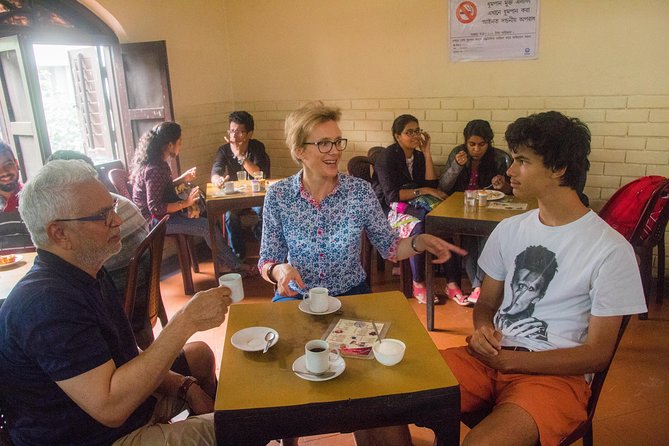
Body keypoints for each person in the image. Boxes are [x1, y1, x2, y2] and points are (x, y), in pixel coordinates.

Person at [259, 102, 464, 445]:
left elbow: (389, 247)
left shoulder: (358, 192)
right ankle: (289, 436)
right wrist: (279, 270)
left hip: (351, 299)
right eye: (323, 143)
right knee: (288, 389)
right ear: (299, 151)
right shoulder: (279, 196)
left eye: (337, 142)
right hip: (295, 300)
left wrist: (419, 241)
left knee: (368, 396)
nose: (334, 151)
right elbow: (267, 260)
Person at [440, 111, 647, 446]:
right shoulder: (510, 229)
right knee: (382, 396)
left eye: (522, 160)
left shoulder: (610, 250)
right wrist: (482, 330)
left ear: (558, 168)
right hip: (489, 358)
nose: (509, 170)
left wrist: (512, 360)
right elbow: (488, 302)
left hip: (555, 376)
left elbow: (597, 354)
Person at [0, 160, 232, 445]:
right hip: (100, 435)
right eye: (102, 216)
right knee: (243, 426)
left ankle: (205, 417)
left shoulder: (89, 270)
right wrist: (185, 322)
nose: (117, 220)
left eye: (112, 207)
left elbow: (127, 353)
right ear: (58, 233)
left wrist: (185, 386)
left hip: (129, 407)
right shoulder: (45, 304)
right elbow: (112, 409)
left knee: (200, 357)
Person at [46, 150, 154, 347]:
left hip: (122, 311)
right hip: (144, 300)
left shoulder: (89, 224)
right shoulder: (122, 204)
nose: (116, 220)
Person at [130, 121, 254, 276]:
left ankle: (224, 262)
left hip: (164, 215)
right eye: (179, 142)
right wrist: (185, 203)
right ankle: (234, 265)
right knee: (205, 226)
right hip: (155, 222)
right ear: (169, 145)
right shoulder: (154, 169)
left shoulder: (158, 163)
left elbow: (162, 189)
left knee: (208, 217)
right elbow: (155, 208)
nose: (180, 145)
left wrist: (182, 179)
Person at [374, 114, 448, 304]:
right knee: (419, 223)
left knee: (437, 216)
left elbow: (431, 182)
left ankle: (450, 280)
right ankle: (418, 282)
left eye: (417, 131)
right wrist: (424, 190)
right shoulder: (387, 157)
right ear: (398, 136)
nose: (415, 136)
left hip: (411, 204)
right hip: (387, 207)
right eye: (409, 132)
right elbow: (392, 195)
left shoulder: (417, 156)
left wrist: (427, 152)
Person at [438, 119, 512, 306]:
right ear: (465, 142)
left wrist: (502, 185)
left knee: (486, 237)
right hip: (463, 207)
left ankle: (477, 286)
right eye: (472, 144)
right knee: (470, 238)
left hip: (489, 208)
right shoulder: (458, 154)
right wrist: (456, 166)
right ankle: (477, 286)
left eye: (481, 145)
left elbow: (510, 192)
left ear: (489, 143)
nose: (476, 149)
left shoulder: (498, 158)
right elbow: (444, 186)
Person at [210, 111, 270, 260]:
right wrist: (217, 179)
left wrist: (240, 156)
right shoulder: (223, 150)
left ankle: (266, 251)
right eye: (231, 131)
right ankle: (238, 254)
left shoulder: (257, 147)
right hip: (236, 197)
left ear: (249, 134)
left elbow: (259, 173)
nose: (234, 136)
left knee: (265, 210)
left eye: (239, 132)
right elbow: (215, 171)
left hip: (256, 194)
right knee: (230, 215)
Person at [0, 142, 32, 250]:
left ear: (16, 164)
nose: (3, 172)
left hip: (35, 265)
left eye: (8, 164)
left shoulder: (35, 198)